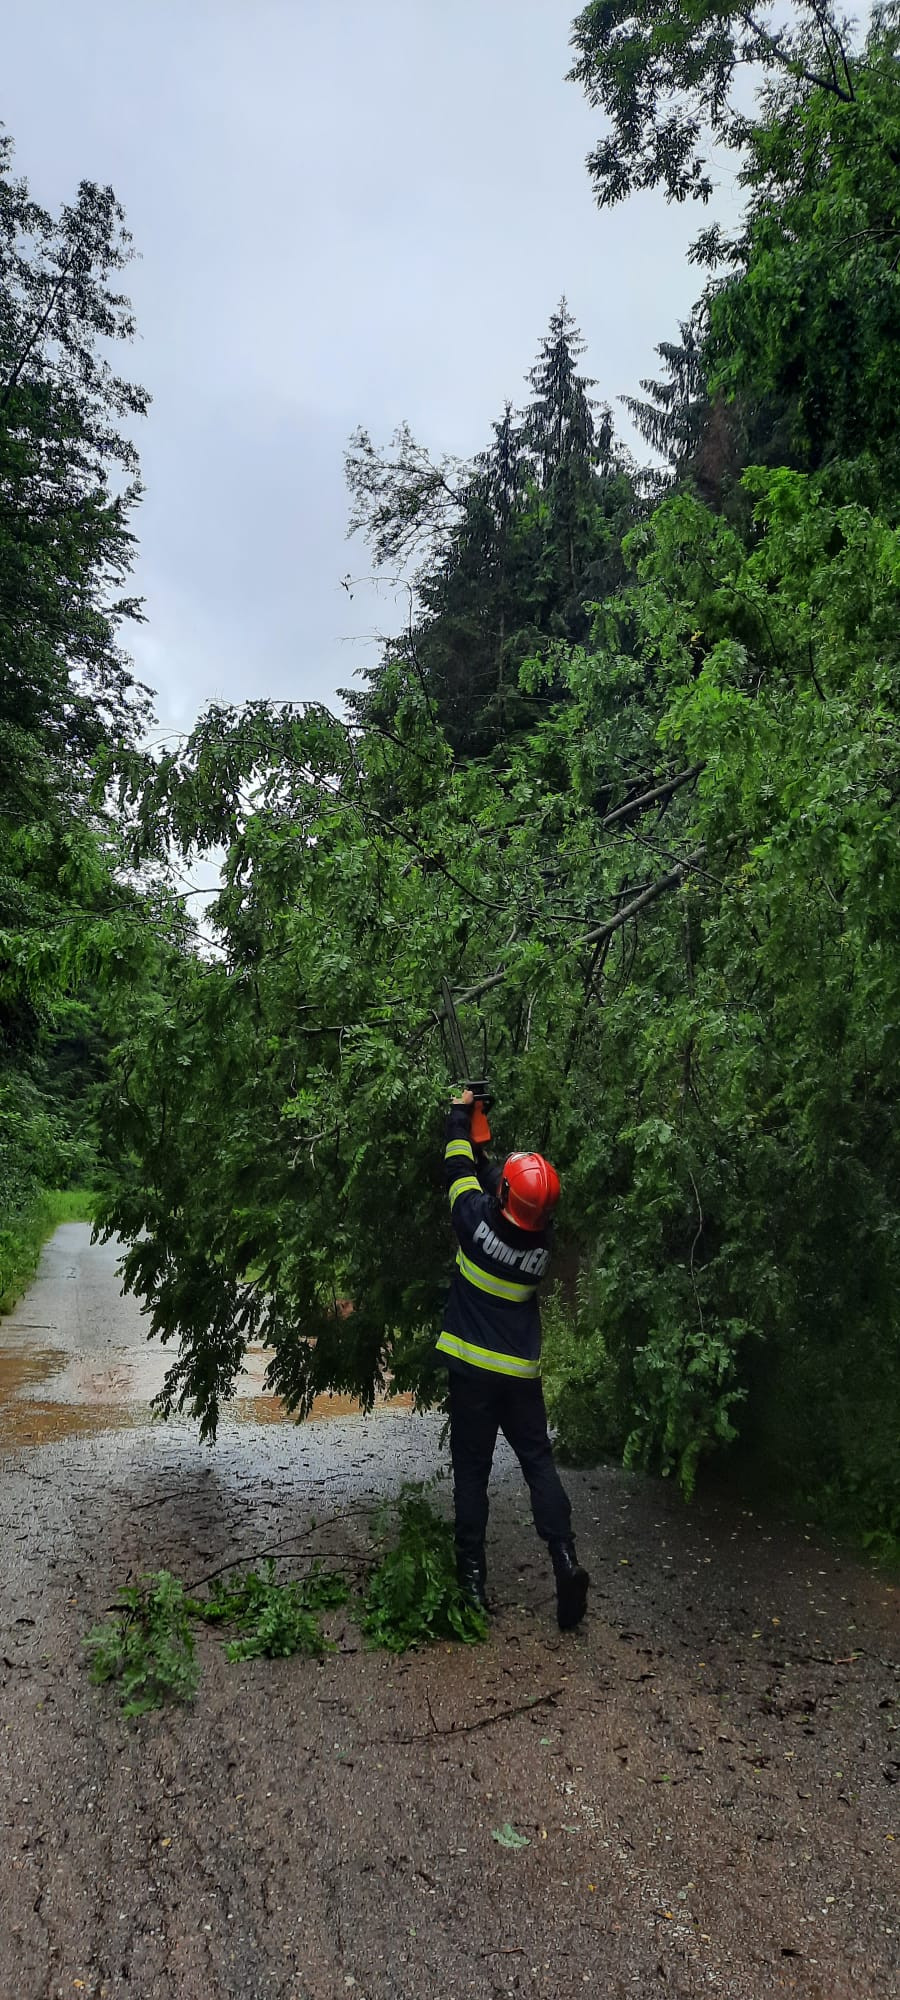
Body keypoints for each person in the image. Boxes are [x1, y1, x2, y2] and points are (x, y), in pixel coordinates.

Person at [437, 1089, 589, 1631]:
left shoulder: (473, 1221)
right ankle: (565, 1559)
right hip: (519, 1378)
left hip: (472, 1375)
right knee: (538, 1465)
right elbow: (501, 1189)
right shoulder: (541, 1245)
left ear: (502, 1198)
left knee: (472, 1474)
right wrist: (483, 1136)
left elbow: (459, 1170)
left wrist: (460, 1116)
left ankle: (473, 1584)